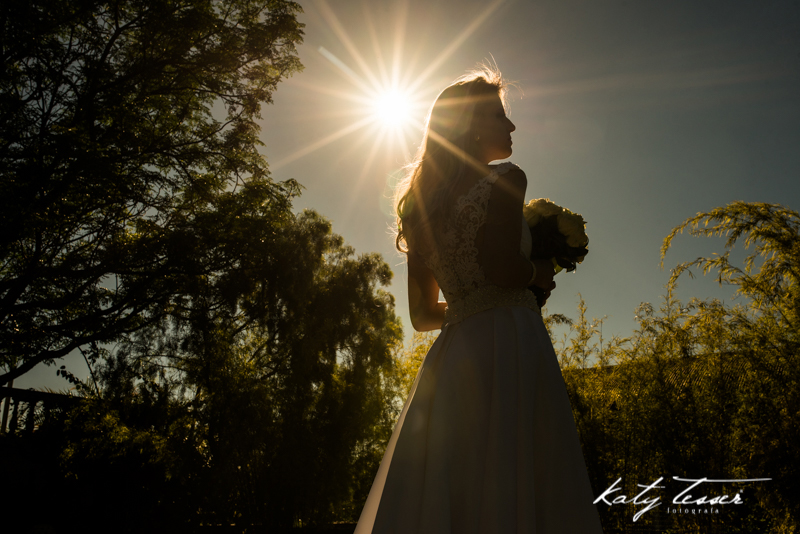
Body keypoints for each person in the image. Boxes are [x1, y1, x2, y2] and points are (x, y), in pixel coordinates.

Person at [354, 65, 604, 533]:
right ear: (469, 125)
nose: (511, 126)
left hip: (453, 356)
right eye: (498, 115)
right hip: (509, 344)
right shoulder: (506, 177)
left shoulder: (418, 205)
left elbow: (422, 315)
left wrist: (470, 304)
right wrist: (538, 272)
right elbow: (501, 268)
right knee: (518, 469)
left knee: (457, 481)